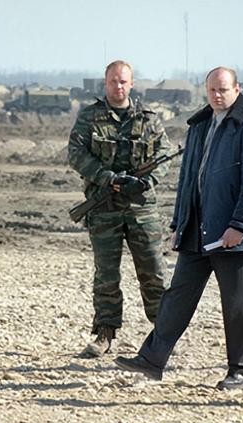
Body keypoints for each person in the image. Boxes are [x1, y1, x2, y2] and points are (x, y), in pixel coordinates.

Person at [115, 67, 243, 389]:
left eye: (223, 90)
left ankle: (242, 371)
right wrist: (179, 222)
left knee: (237, 304)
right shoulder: (200, 125)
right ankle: (152, 360)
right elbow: (189, 180)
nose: (217, 95)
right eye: (212, 90)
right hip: (197, 230)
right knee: (177, 297)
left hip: (231, 235)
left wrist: (240, 225)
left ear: (237, 90)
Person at [68, 60, 171, 358]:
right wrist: (107, 178)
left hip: (142, 208)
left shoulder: (148, 119)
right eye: (113, 81)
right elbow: (76, 153)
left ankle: (163, 335)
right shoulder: (90, 117)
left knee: (153, 272)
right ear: (105, 83)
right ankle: (105, 332)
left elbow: (165, 151)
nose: (118, 86)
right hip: (105, 206)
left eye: (123, 81)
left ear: (132, 83)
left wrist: (148, 180)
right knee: (106, 274)